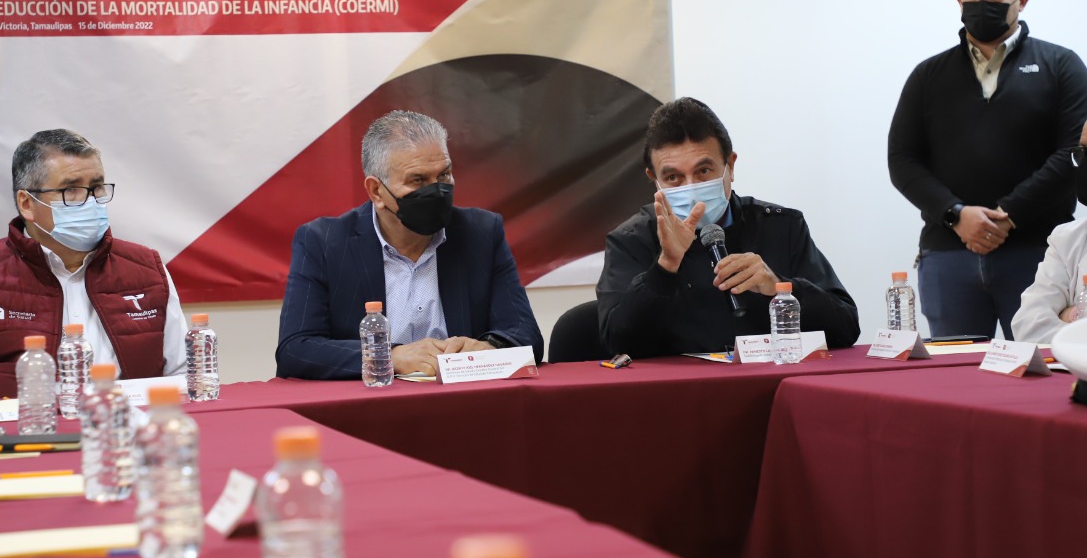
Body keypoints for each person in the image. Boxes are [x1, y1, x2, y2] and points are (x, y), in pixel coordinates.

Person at [0, 129, 187, 402]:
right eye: (70, 190)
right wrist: (9, 415)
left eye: (97, 188)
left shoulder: (147, 270)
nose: (90, 201)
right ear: (27, 203)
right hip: (24, 434)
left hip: (125, 430)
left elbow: (186, 377)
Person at [889, 0, 1087, 340]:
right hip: (948, 253)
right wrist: (956, 215)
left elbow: (1073, 153)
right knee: (954, 370)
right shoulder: (928, 76)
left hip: (1040, 252)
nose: (983, 2)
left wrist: (1008, 215)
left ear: (1022, 0)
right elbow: (903, 160)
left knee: (1044, 365)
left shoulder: (1062, 66)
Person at [276, 109, 543, 379]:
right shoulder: (324, 243)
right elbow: (295, 349)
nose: (437, 190)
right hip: (373, 399)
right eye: (418, 180)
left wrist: (489, 348)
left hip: (462, 396)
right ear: (376, 191)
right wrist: (388, 356)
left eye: (444, 175)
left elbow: (525, 334)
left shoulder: (481, 233)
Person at [597, 97, 859, 358]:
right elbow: (619, 344)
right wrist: (666, 266)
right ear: (654, 179)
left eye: (703, 171)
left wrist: (779, 286)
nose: (691, 189)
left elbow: (846, 328)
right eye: (673, 177)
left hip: (771, 378)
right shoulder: (631, 241)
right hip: (679, 384)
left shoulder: (782, 226)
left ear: (730, 166)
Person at [1011, 122, 1087, 344]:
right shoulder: (1067, 238)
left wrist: (1067, 315)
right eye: (1083, 152)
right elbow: (1028, 328)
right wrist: (1079, 318)